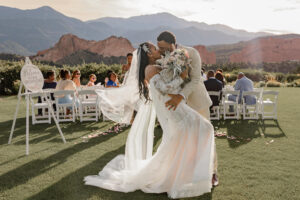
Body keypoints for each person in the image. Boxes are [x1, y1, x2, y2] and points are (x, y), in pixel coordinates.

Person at [84, 42, 216, 199]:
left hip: (173, 105)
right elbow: (166, 88)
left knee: (186, 136)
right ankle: (180, 177)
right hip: (172, 105)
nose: (158, 51)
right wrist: (182, 76)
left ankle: (187, 175)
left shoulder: (159, 66)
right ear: (149, 54)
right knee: (201, 130)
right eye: (155, 49)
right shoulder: (151, 69)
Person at [156, 31, 218, 184]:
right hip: (178, 108)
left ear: (172, 44)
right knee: (181, 140)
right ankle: (184, 174)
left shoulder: (191, 53)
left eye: (163, 47)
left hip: (197, 102)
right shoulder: (161, 59)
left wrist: (181, 96)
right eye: (159, 48)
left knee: (205, 138)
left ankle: (212, 172)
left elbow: (196, 78)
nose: (161, 51)